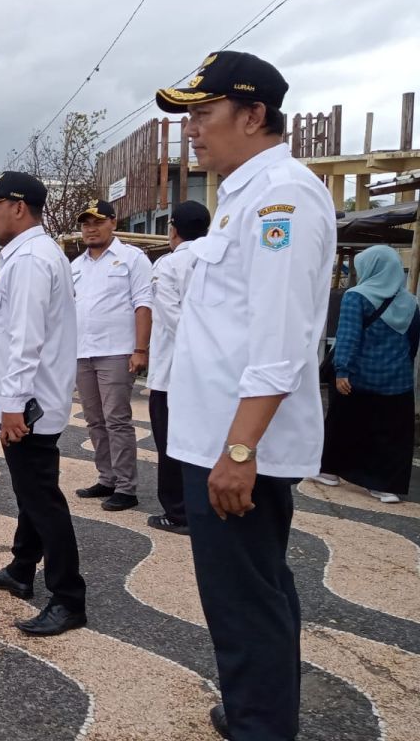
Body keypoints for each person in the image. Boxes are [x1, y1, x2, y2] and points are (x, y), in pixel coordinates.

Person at [156, 50, 337, 740]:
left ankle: (262, 724)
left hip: (237, 448)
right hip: (218, 438)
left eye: (204, 113)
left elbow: (280, 337)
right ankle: (260, 711)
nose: (193, 130)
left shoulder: (281, 197)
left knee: (242, 606)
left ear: (254, 114)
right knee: (258, 592)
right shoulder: (243, 196)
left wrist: (239, 448)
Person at [0, 172, 86, 636]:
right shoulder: (27, 256)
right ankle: (22, 570)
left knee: (42, 499)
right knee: (31, 492)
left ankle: (68, 597)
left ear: (18, 207)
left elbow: (25, 340)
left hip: (29, 405)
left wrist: (13, 404)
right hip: (31, 401)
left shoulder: (32, 260)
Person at [317, 245, 419, 503]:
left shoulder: (356, 296)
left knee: (343, 424)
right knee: (390, 433)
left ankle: (329, 471)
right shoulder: (410, 302)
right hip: (397, 381)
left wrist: (342, 370)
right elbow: (413, 342)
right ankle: (384, 487)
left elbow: (348, 336)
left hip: (358, 377)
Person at [70, 199, 154, 511]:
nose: (91, 229)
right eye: (85, 223)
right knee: (94, 419)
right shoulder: (75, 266)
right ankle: (106, 477)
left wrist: (140, 349)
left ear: (113, 223)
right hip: (82, 352)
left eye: (97, 222)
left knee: (117, 419)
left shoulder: (132, 258)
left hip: (117, 352)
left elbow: (144, 303)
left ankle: (127, 487)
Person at [146, 201, 211, 533]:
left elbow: (172, 318)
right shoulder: (221, 259)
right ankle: (204, 507)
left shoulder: (169, 265)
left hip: (173, 373)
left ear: (172, 230)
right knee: (203, 445)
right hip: (213, 372)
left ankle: (178, 512)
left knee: (170, 446)